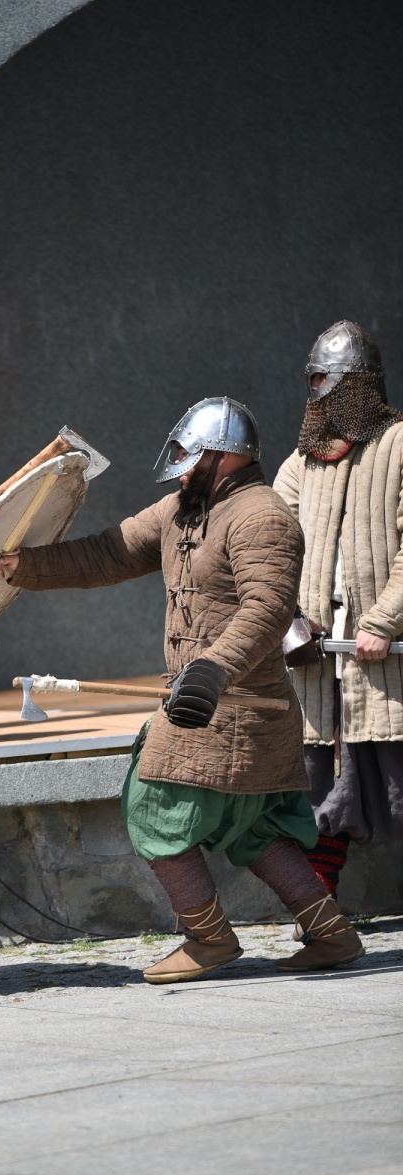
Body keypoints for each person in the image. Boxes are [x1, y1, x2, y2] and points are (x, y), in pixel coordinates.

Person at [0, 397, 363, 982]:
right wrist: (20, 568)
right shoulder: (181, 510)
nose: (183, 469)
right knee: (253, 829)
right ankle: (332, 934)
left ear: (225, 455)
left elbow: (267, 611)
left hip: (237, 709)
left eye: (192, 459)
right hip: (205, 708)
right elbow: (106, 553)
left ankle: (208, 939)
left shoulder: (263, 518)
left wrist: (211, 670)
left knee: (152, 806)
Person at [274, 319, 403, 897]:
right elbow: (270, 548)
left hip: (385, 658)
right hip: (320, 662)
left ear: (357, 385)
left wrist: (383, 620)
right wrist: (288, 621)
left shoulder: (400, 445)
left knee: (398, 786)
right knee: (324, 797)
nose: (316, 391)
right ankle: (321, 920)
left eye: (326, 378)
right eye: (312, 379)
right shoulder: (302, 463)